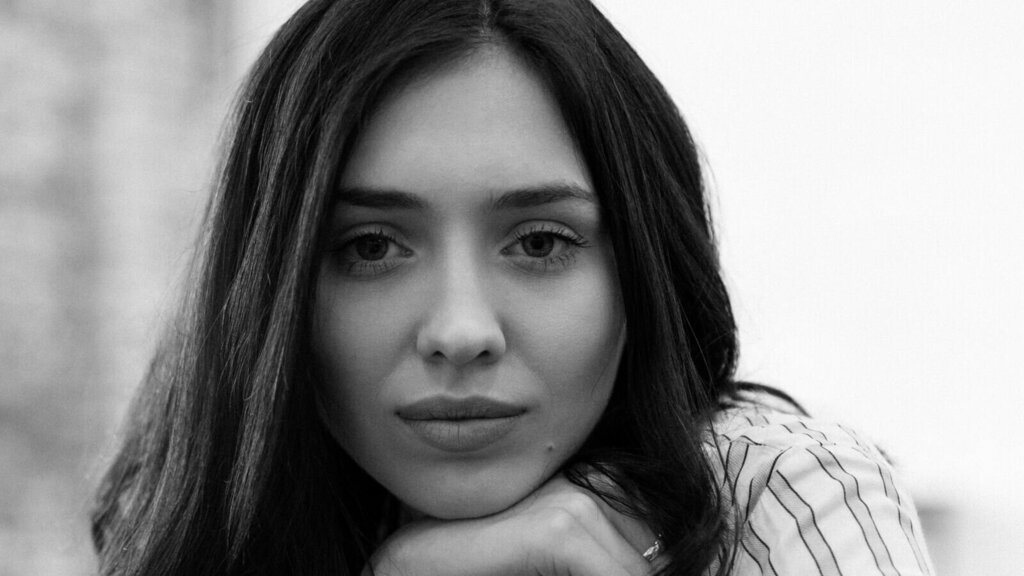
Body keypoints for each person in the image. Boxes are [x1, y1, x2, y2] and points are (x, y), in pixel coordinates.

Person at [90, 0, 935, 575]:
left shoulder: (788, 495)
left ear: (642, 273)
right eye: (372, 247)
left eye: (539, 243)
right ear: (276, 287)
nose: (460, 331)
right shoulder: (198, 517)